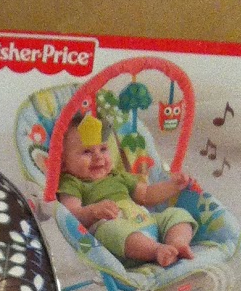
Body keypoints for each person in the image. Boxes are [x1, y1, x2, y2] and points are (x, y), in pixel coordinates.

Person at [56, 113, 196, 268]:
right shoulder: (71, 182)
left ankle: (177, 244)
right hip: (118, 240)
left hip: (145, 221)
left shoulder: (118, 175)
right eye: (86, 152)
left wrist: (173, 185)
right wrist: (93, 212)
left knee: (177, 214)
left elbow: (146, 195)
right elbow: (69, 216)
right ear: (64, 162)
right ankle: (157, 250)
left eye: (103, 149)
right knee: (110, 230)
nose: (98, 157)